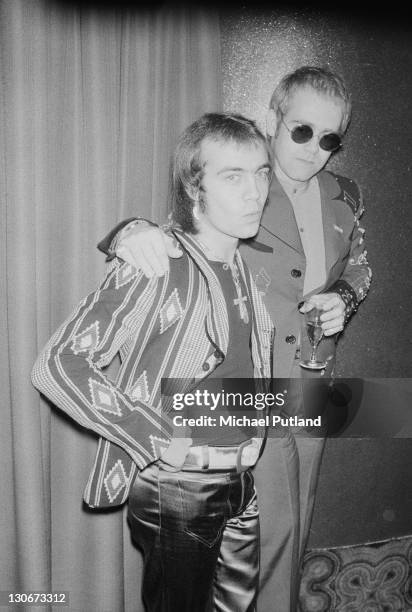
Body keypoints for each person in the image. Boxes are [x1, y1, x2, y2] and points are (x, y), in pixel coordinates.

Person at [99, 67, 372, 611]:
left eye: (330, 138)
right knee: (264, 525)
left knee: (298, 516)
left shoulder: (346, 192)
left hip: (313, 377)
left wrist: (342, 297)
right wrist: (126, 233)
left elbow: (360, 267)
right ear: (272, 119)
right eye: (302, 130)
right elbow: (176, 227)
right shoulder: (245, 179)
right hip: (241, 384)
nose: (316, 149)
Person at [32, 113, 275, 612]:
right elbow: (58, 364)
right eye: (233, 176)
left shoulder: (244, 269)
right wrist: (156, 440)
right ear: (194, 187)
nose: (255, 192)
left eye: (261, 172)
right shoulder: (158, 262)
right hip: (179, 488)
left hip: (240, 483)